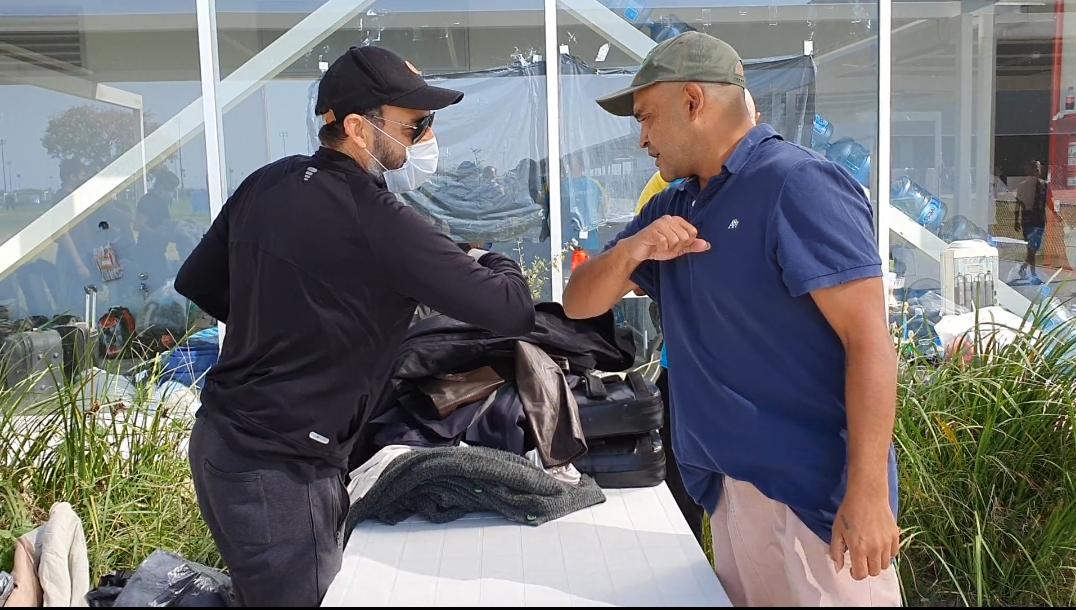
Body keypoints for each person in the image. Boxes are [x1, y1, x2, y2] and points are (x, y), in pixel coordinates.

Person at [175, 46, 535, 607]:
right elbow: (510, 308)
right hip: (280, 469)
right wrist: (487, 257)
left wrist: (292, 328)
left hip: (228, 441)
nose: (424, 138)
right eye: (415, 125)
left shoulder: (266, 183)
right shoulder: (376, 218)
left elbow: (198, 282)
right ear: (357, 128)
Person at [564, 32, 900, 606]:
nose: (641, 138)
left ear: (693, 101)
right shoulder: (675, 204)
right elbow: (579, 303)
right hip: (729, 492)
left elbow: (869, 339)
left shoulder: (797, 184)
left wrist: (868, 496)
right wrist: (633, 249)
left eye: (647, 117)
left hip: (814, 504)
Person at [631, 87, 761, 548]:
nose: (644, 140)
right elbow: (628, 277)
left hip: (745, 397)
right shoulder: (669, 189)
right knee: (687, 506)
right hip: (683, 374)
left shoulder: (785, 188)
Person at [131, 169, 182, 293]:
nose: (171, 193)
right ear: (160, 186)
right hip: (147, 253)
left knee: (160, 284)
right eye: (169, 189)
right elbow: (138, 225)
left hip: (158, 253)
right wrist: (156, 234)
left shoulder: (162, 203)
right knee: (154, 287)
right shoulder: (148, 201)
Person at [1015, 160, 1048, 284]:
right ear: (1029, 170)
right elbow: (1018, 204)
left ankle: (1023, 268)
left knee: (1035, 248)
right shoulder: (1023, 185)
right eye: (1034, 168)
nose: (1037, 170)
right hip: (1028, 220)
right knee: (1031, 247)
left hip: (1040, 220)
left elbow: (1048, 201)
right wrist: (1016, 220)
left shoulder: (1045, 185)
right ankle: (1033, 275)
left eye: (1038, 168)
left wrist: (1055, 214)